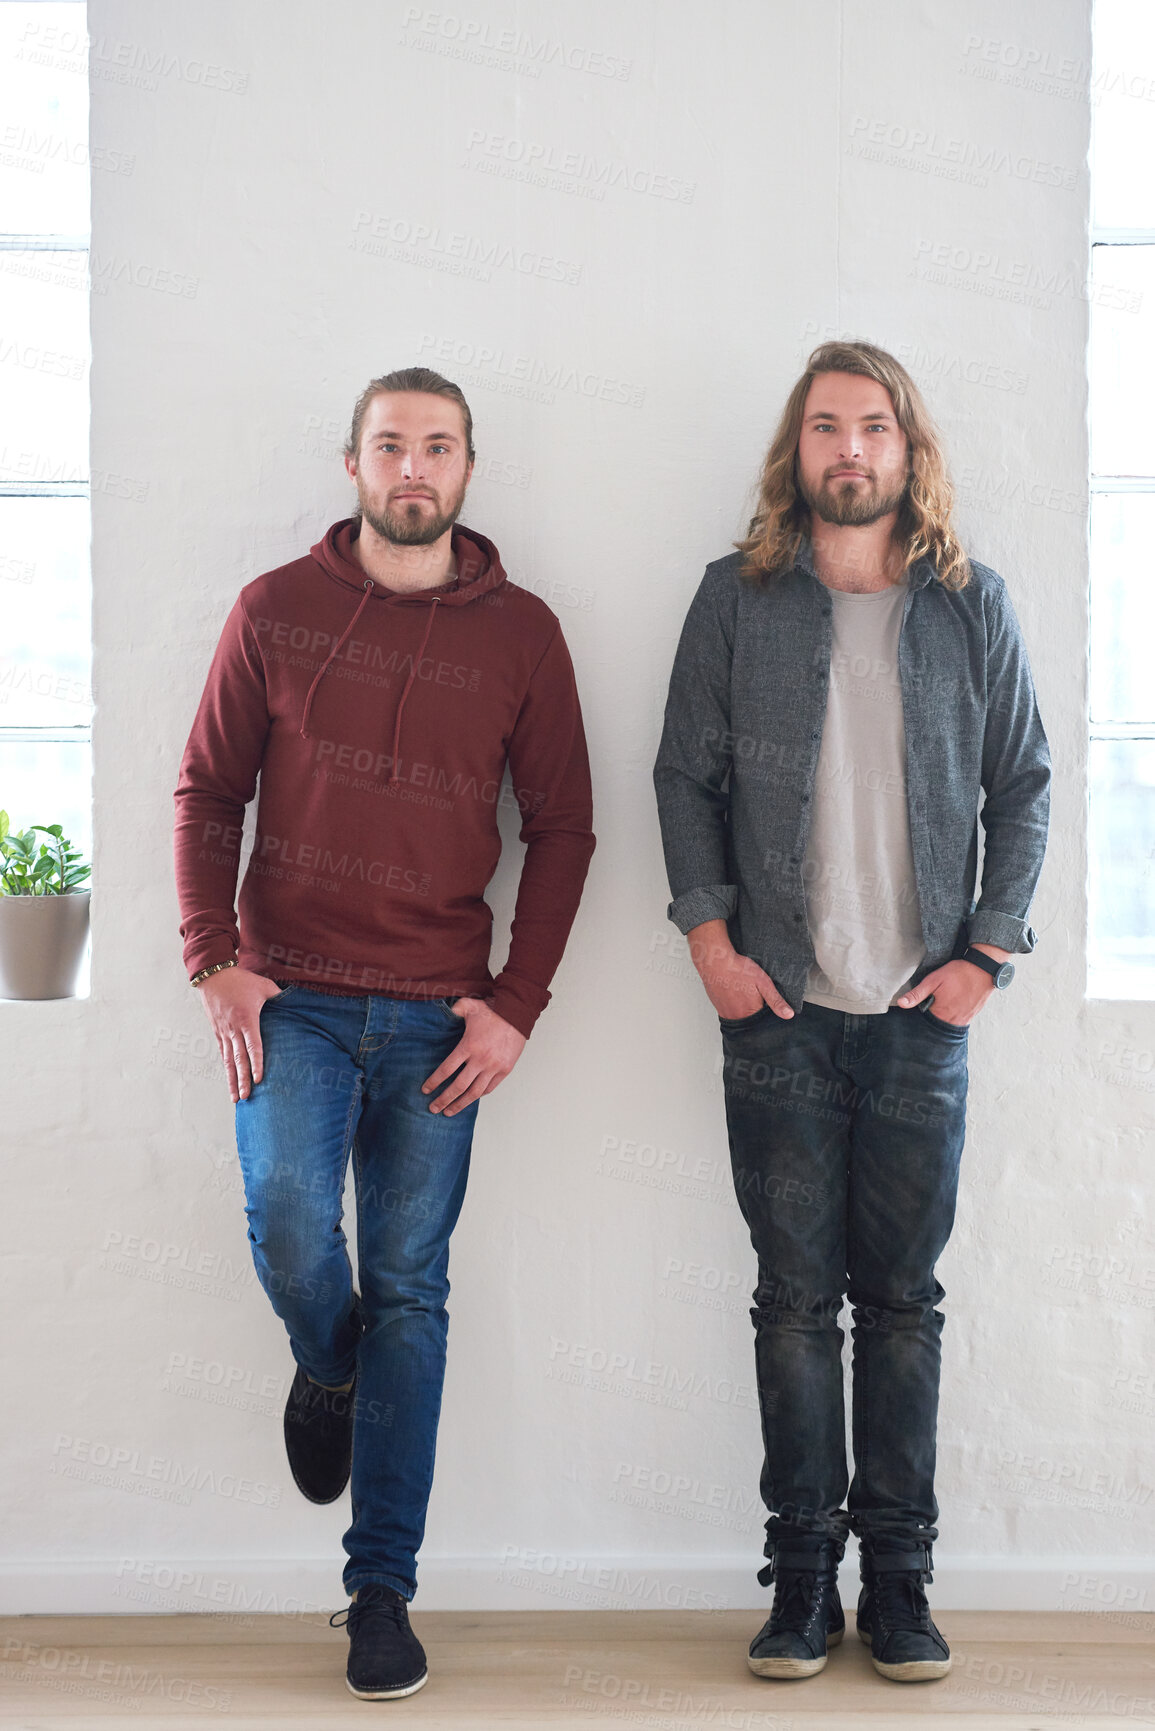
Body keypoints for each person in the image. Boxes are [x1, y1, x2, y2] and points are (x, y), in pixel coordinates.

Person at [173, 367, 595, 1700]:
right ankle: (326, 1365)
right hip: (286, 998)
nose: (414, 468)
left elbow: (568, 828)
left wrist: (518, 1003)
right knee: (296, 1221)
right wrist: (214, 964)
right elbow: (205, 793)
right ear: (351, 464)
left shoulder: (522, 633)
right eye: (390, 446)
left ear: (470, 469)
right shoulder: (275, 612)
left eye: (438, 448)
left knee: (412, 1283)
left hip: (435, 1019)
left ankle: (380, 1592)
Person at [653, 341, 1050, 1685]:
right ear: (798, 451)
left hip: (918, 1020)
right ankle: (803, 1583)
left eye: (872, 427)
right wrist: (709, 939)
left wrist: (986, 956)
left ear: (905, 446)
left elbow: (1027, 784)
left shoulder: (968, 605)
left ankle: (902, 1583)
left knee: (901, 1304)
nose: (850, 450)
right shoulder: (739, 600)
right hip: (777, 1011)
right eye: (827, 427)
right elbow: (681, 778)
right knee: (788, 1303)